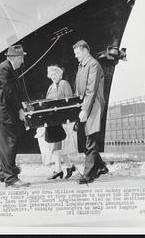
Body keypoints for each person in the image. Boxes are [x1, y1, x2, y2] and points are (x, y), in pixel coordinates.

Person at [0, 45, 30, 188]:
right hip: (2, 114)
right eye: (22, 58)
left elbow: (16, 91)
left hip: (3, 114)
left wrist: (23, 106)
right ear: (16, 58)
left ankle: (3, 173)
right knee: (9, 144)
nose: (23, 61)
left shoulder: (9, 68)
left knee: (6, 144)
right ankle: (11, 179)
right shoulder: (4, 69)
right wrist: (19, 109)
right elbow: (9, 92)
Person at [73, 39, 109, 184]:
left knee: (90, 139)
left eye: (77, 53)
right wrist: (77, 109)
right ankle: (100, 167)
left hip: (94, 106)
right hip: (86, 106)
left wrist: (84, 110)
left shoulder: (93, 64)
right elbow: (78, 90)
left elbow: (91, 90)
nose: (75, 56)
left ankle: (89, 174)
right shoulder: (82, 66)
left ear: (85, 50)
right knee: (86, 138)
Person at [35, 65, 78, 180]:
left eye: (55, 74)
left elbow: (68, 100)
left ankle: (58, 170)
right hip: (52, 121)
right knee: (57, 146)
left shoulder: (64, 84)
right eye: (52, 74)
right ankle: (69, 166)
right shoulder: (50, 87)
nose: (53, 76)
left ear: (60, 74)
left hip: (62, 120)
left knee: (56, 145)